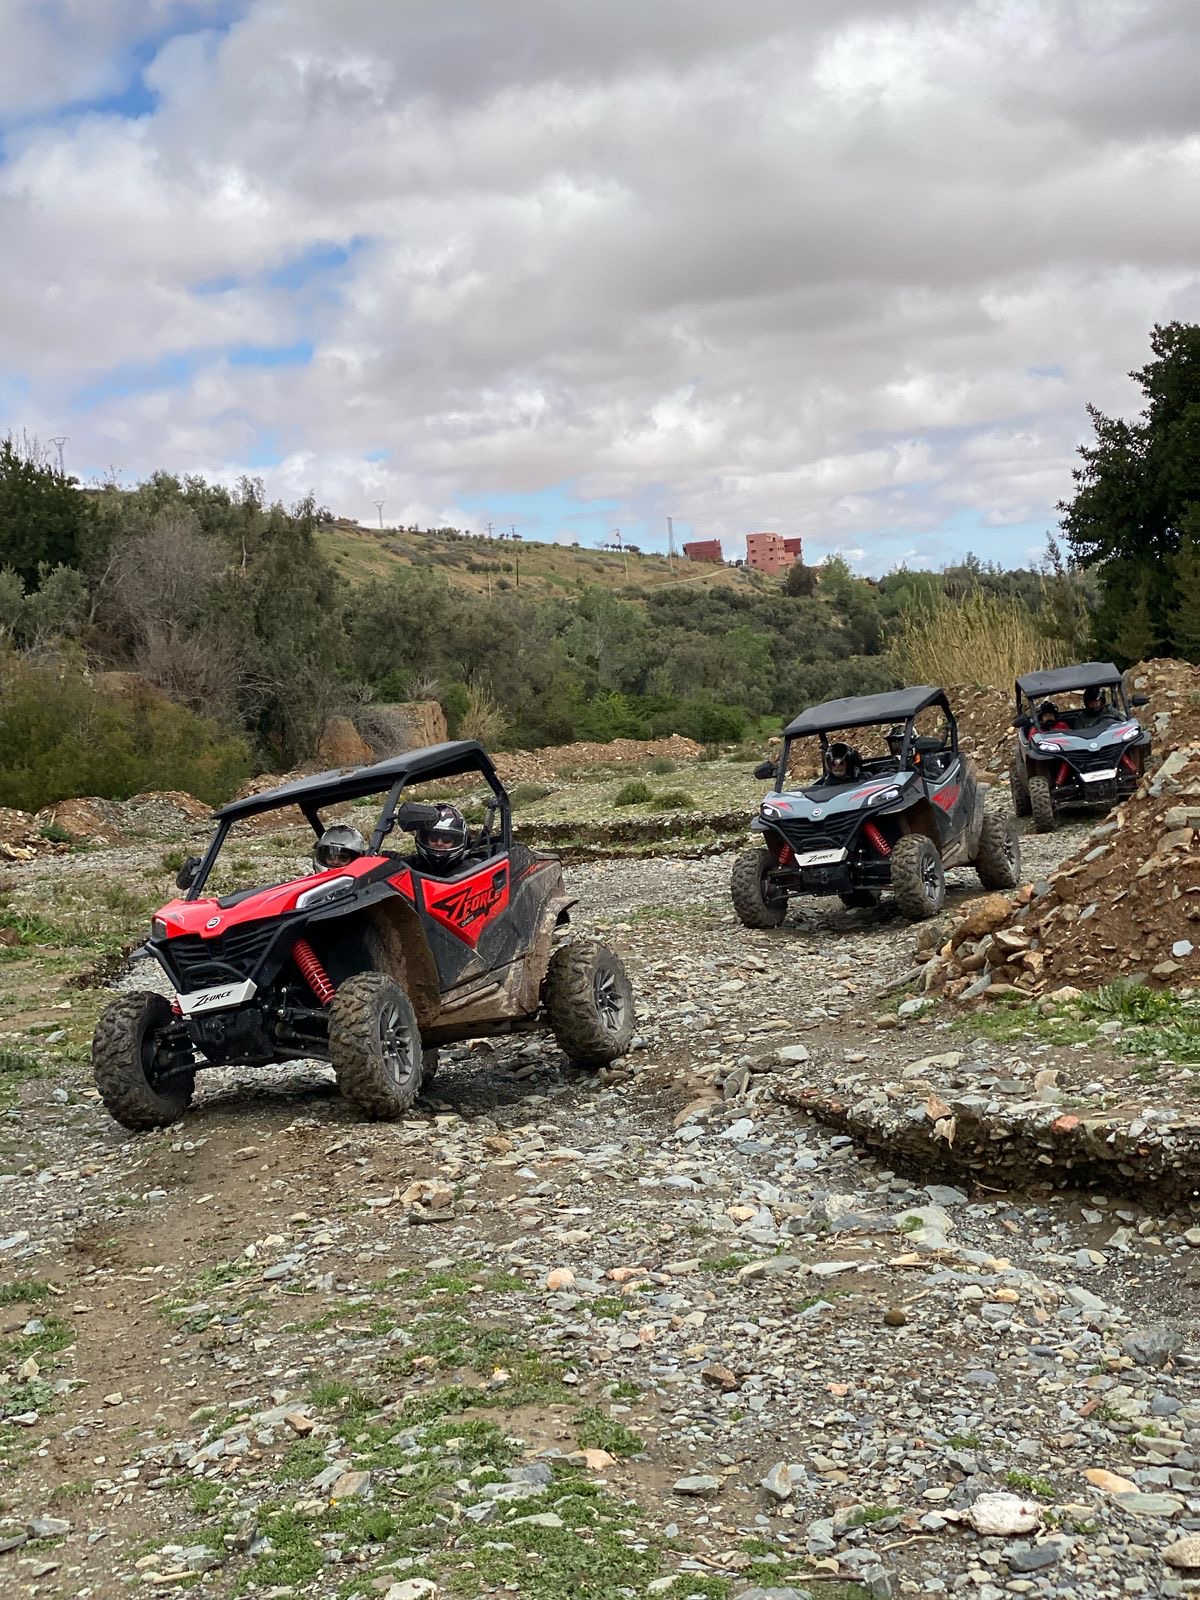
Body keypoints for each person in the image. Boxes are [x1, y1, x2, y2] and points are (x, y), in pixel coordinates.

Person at [414, 803, 470, 873]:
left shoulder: (470, 872)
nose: (439, 843)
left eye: (446, 839)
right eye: (433, 838)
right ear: (425, 838)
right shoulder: (412, 866)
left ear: (456, 841)